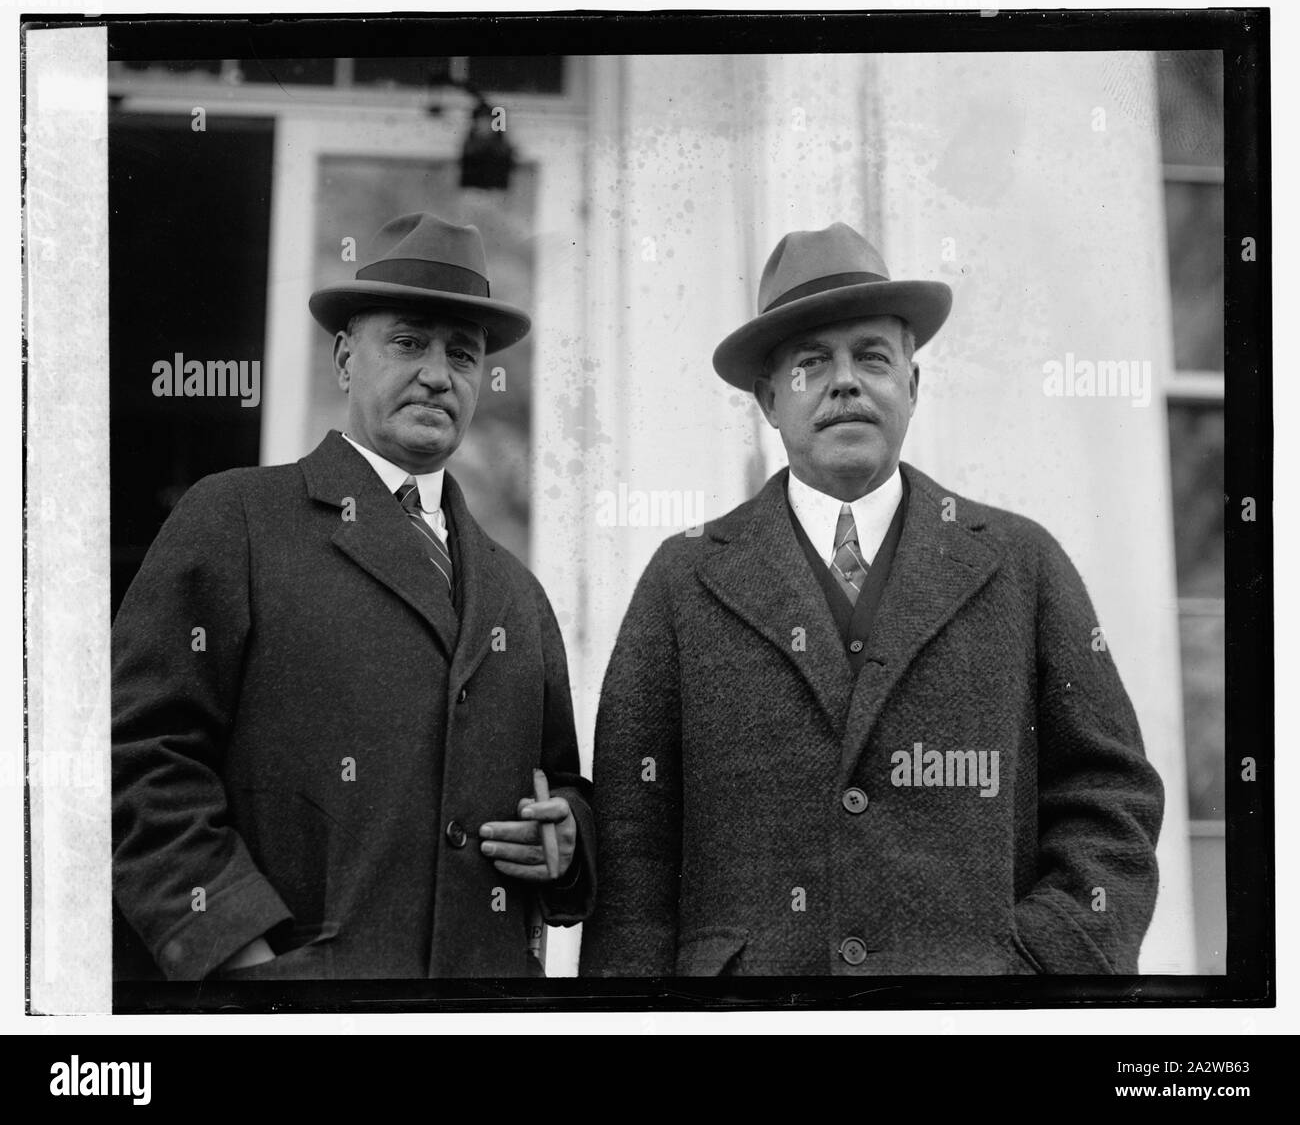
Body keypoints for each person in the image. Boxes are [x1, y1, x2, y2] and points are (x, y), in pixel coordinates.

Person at [579, 222, 1163, 977]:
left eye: (872, 356)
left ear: (912, 386)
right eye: (812, 362)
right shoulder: (682, 579)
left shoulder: (1023, 564)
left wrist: (1036, 963)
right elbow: (634, 851)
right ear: (768, 400)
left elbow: (1109, 796)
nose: (845, 380)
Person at [113, 212, 594, 981]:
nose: (439, 373)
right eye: (408, 342)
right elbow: (139, 757)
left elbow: (563, 784)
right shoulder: (237, 519)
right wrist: (239, 956)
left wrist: (567, 838)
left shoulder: (517, 591)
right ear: (344, 357)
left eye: (463, 355)